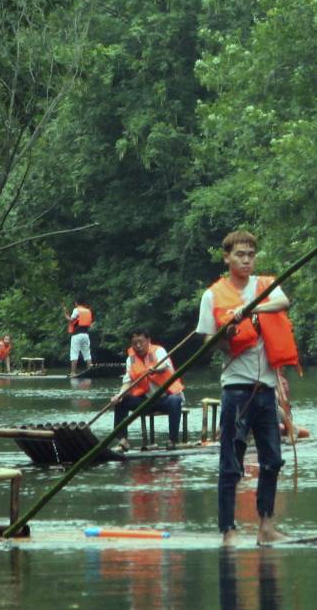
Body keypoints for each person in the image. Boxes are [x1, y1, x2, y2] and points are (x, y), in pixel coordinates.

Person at [197, 231, 300, 542]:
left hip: (266, 389)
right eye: (240, 255)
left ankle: (265, 527)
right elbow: (206, 342)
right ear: (227, 257)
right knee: (231, 462)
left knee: (273, 459)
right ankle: (228, 530)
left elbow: (284, 301)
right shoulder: (213, 295)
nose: (245, 260)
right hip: (236, 390)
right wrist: (226, 334)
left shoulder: (265, 286)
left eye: (250, 255)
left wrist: (252, 309)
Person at [123, 331, 190, 447]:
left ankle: (172, 440)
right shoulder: (131, 359)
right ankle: (122, 440)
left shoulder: (159, 351)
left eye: (141, 342)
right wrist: (119, 395)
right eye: (134, 343)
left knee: (175, 400)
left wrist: (155, 369)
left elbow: (165, 365)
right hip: (146, 401)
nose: (138, 346)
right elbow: (127, 381)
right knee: (122, 400)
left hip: (166, 398)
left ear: (148, 341)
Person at [66, 300, 97, 377]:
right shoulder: (88, 311)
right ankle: (89, 370)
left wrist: (66, 317)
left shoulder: (76, 310)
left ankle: (73, 373)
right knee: (87, 354)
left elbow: (72, 319)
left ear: (76, 303)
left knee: (74, 353)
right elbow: (90, 323)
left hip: (76, 335)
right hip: (86, 335)